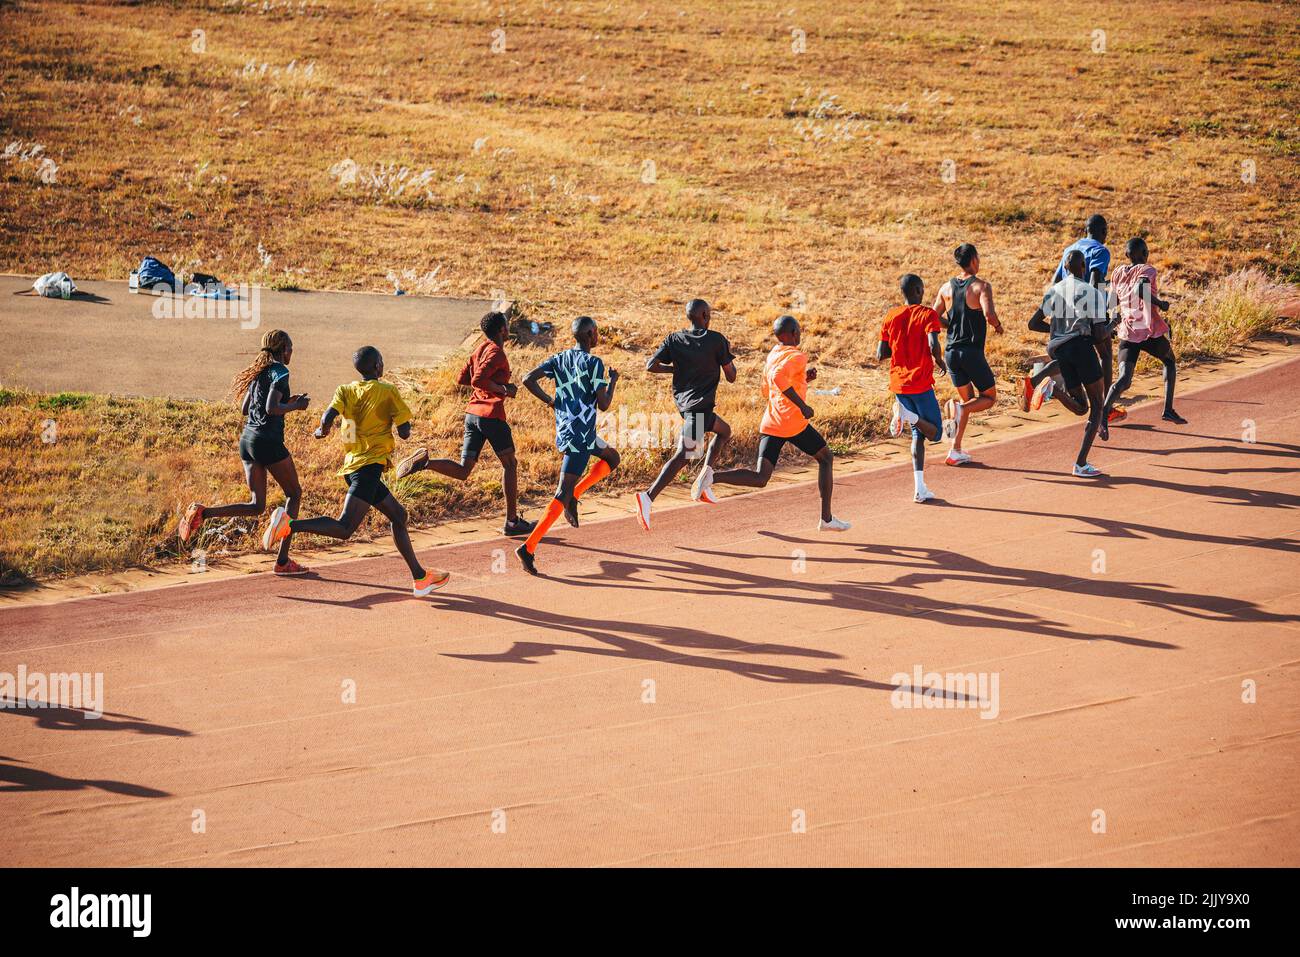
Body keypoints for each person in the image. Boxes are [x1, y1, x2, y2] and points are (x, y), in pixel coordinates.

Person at [263, 346, 449, 597]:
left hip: (354, 466)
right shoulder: (388, 391)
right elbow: (405, 431)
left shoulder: (345, 390)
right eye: (382, 361)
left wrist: (323, 430)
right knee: (344, 528)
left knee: (399, 515)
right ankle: (289, 524)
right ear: (377, 367)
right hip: (368, 467)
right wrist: (401, 426)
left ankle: (419, 578)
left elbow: (328, 416)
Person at [696, 316, 849, 530]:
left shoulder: (774, 354)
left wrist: (803, 379)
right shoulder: (797, 355)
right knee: (826, 458)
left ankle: (712, 476)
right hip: (793, 422)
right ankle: (826, 519)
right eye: (799, 330)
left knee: (761, 477)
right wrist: (802, 406)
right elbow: (778, 378)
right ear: (794, 332)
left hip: (772, 421)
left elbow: (767, 389)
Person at [178, 329, 310, 575]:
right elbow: (271, 408)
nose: (292, 353)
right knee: (294, 493)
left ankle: (203, 512)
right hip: (268, 441)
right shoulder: (281, 371)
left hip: (247, 440)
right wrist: (296, 406)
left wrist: (287, 401)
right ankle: (282, 561)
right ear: (283, 350)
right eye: (290, 349)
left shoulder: (257, 371)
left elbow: (245, 407)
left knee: (256, 505)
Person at [395, 312, 535, 536]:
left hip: (472, 415)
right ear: (502, 330)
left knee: (464, 470)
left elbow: (463, 378)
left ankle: (426, 463)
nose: (508, 329)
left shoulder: (480, 348)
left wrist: (490, 385)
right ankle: (512, 522)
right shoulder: (496, 352)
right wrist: (503, 389)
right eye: (506, 326)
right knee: (510, 465)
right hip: (491, 415)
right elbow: (476, 380)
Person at [515, 316, 621, 575]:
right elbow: (604, 403)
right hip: (580, 438)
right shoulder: (594, 363)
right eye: (596, 332)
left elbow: (528, 378)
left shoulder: (559, 358)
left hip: (571, 430)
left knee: (612, 458)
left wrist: (550, 401)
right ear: (588, 334)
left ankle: (575, 494)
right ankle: (528, 548)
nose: (598, 336)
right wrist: (613, 380)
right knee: (562, 492)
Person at [633, 298, 736, 531]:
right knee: (684, 455)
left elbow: (651, 365)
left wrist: (675, 368)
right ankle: (647, 497)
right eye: (708, 314)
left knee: (724, 431)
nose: (709, 317)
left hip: (690, 405)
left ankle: (704, 481)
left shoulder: (674, 339)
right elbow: (731, 376)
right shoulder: (717, 340)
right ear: (704, 316)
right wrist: (726, 355)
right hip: (699, 406)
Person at [1023, 214, 1125, 422]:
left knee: (1068, 353)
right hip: (1089, 305)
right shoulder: (1101, 251)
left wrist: (1055, 312)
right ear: (1104, 232)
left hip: (1066, 305)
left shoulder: (1070, 249)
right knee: (1105, 353)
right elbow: (1096, 279)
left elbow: (1055, 280)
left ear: (1084, 230)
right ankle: (1105, 406)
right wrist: (1104, 314)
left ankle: (1035, 381)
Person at [1027, 250, 1110, 477]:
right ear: (1083, 267)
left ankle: (1053, 389)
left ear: (1065, 267)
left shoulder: (1054, 291)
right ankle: (1081, 464)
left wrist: (1055, 330)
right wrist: (1116, 324)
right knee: (1097, 407)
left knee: (1081, 407)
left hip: (1060, 350)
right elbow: (1100, 333)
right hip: (1081, 348)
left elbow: (1033, 324)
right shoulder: (1092, 292)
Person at [1101, 237, 1186, 429]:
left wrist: (1111, 323)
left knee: (1124, 378)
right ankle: (1168, 410)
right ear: (1143, 254)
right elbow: (1141, 288)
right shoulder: (1147, 270)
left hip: (1128, 331)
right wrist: (1160, 303)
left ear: (1126, 255)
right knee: (1169, 361)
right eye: (1146, 252)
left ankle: (1103, 414)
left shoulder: (1117, 272)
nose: (1147, 254)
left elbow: (1111, 302)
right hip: (1149, 331)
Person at [932, 243, 1002, 465]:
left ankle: (955, 451)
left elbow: (933, 317)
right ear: (973, 260)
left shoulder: (945, 288)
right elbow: (989, 314)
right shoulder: (981, 286)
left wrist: (950, 323)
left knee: (968, 401)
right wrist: (998, 326)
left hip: (951, 352)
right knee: (989, 397)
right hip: (971, 352)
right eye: (978, 258)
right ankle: (959, 410)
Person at [881, 275, 949, 502]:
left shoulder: (891, 315)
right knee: (936, 433)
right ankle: (906, 414)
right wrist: (939, 361)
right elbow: (933, 343)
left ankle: (920, 488)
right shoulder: (927, 313)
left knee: (918, 434)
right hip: (919, 383)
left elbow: (881, 353)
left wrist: (901, 347)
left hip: (898, 383)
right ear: (919, 290)